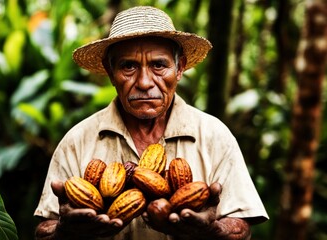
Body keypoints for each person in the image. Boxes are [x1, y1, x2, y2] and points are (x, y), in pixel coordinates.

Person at [34, 6, 268, 240]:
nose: (145, 82)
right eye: (129, 66)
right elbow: (44, 232)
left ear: (180, 68)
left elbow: (242, 227)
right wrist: (65, 232)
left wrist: (212, 231)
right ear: (110, 71)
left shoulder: (215, 136)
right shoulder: (77, 141)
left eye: (158, 65)